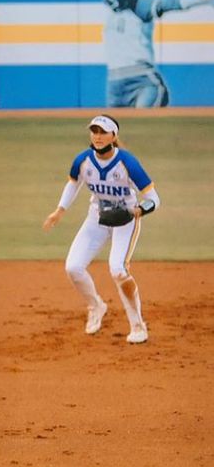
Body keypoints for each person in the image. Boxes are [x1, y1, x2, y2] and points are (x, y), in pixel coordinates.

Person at [42, 114, 160, 344]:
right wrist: (60, 210)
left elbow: (154, 198)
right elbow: (73, 183)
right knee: (73, 267)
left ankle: (138, 326)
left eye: (103, 131)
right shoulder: (83, 160)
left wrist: (139, 210)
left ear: (113, 136)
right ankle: (96, 306)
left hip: (126, 218)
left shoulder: (128, 163)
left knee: (117, 269)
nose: (97, 136)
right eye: (94, 131)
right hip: (97, 217)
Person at [83, 0, 212, 108]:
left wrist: (206, 0)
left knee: (142, 127)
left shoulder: (140, 5)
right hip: (114, 85)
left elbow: (173, 3)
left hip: (143, 82)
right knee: (114, 131)